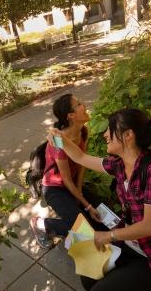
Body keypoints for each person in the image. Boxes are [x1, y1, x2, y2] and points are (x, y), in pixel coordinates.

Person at [48, 108, 151, 291]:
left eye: (110, 129)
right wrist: (57, 138)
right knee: (88, 278)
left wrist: (109, 235)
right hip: (133, 245)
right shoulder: (119, 165)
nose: (105, 134)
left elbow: (150, 226)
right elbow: (80, 157)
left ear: (128, 135)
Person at [30, 94, 101, 249]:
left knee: (102, 214)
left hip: (72, 184)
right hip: (54, 188)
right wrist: (86, 205)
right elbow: (66, 180)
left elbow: (82, 163)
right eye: (79, 104)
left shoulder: (83, 131)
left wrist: (80, 193)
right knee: (86, 230)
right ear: (71, 115)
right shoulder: (58, 141)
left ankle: (74, 209)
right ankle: (41, 224)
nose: (84, 105)